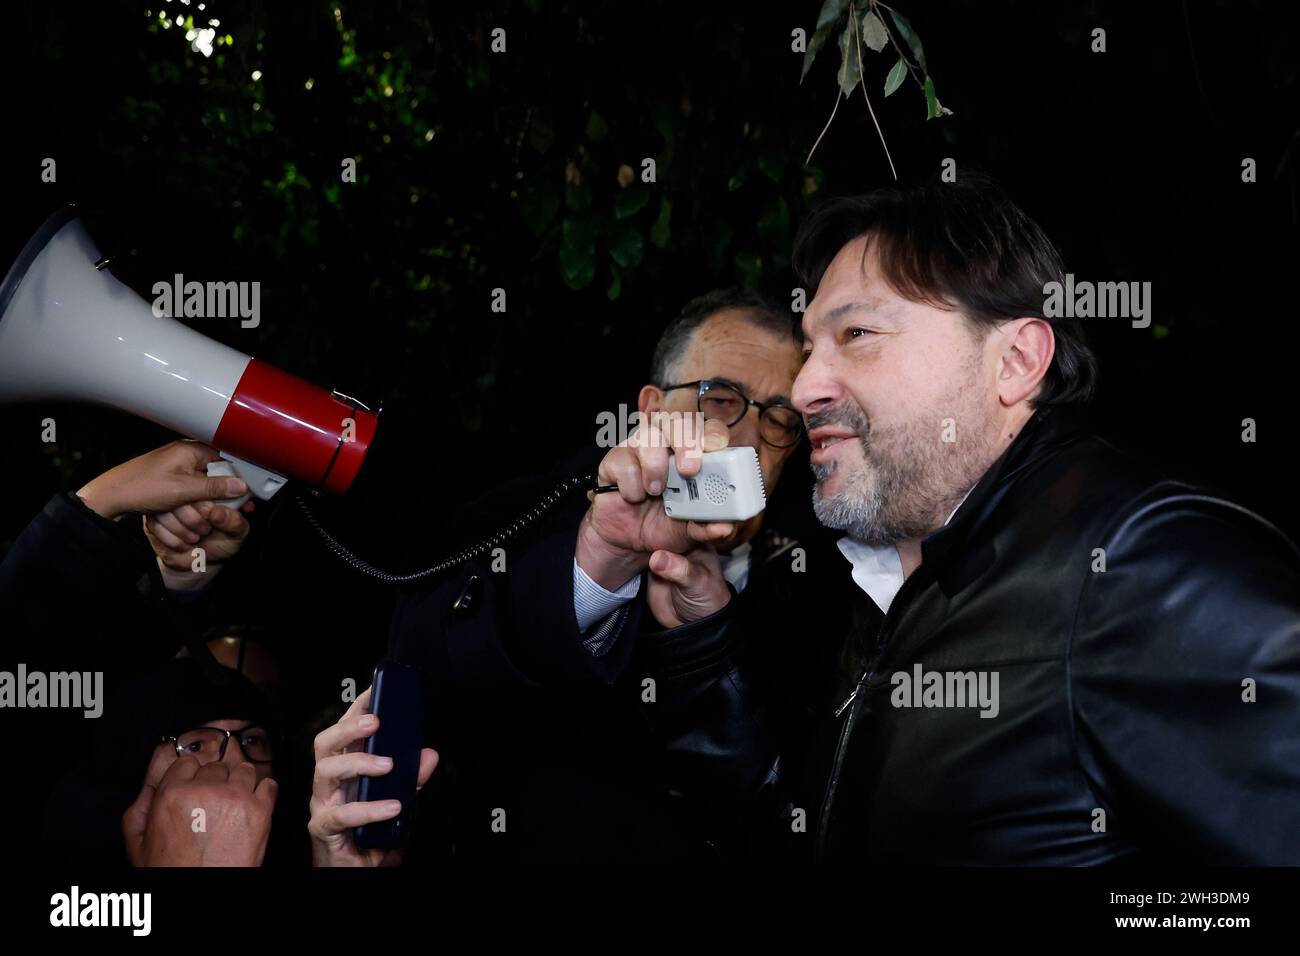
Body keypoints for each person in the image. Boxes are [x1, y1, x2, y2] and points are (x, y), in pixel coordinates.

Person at [380, 175, 1299, 864]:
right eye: (813, 345)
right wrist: (697, 644)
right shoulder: (898, 580)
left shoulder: (1144, 566)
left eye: (856, 336)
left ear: (1017, 358)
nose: (805, 391)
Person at [308, 287, 841, 864]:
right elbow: (421, 653)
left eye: (780, 418)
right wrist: (599, 562)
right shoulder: (540, 509)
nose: (743, 435)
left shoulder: (834, 581)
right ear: (652, 408)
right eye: (719, 398)